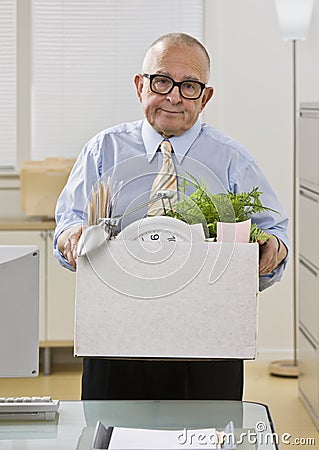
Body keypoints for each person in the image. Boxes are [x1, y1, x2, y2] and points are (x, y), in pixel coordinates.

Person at [54, 32, 288, 400]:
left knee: (209, 433)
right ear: (139, 85)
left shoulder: (232, 160)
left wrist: (271, 250)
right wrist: (71, 237)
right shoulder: (103, 151)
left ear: (205, 97)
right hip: (115, 336)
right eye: (162, 81)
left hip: (210, 341)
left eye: (190, 85)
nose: (174, 96)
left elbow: (274, 234)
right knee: (108, 430)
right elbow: (69, 223)